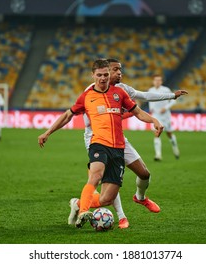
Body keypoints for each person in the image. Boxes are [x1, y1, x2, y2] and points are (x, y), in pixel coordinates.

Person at [38, 59, 164, 229]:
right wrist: (48, 132)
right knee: (95, 175)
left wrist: (154, 120)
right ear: (93, 75)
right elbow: (68, 115)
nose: (103, 78)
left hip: (118, 147)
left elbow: (138, 113)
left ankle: (78, 203)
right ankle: (83, 212)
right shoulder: (87, 96)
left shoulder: (120, 94)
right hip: (98, 143)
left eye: (106, 74)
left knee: (106, 199)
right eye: (99, 75)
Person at [69, 58, 188, 229]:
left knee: (144, 173)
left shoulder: (122, 90)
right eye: (116, 70)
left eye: (120, 70)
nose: (120, 73)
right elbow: (89, 120)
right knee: (106, 179)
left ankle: (140, 198)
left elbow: (144, 96)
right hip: (96, 139)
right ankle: (121, 216)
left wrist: (172, 95)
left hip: (118, 138)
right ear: (106, 71)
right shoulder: (91, 92)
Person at [148, 75, 180, 161]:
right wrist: (151, 108)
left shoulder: (166, 90)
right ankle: (158, 155)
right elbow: (149, 99)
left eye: (159, 80)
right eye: (156, 80)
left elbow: (174, 101)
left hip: (166, 116)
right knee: (156, 133)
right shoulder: (151, 90)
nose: (157, 82)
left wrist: (165, 108)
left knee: (169, 133)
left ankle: (175, 149)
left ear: (161, 82)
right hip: (156, 115)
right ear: (153, 81)